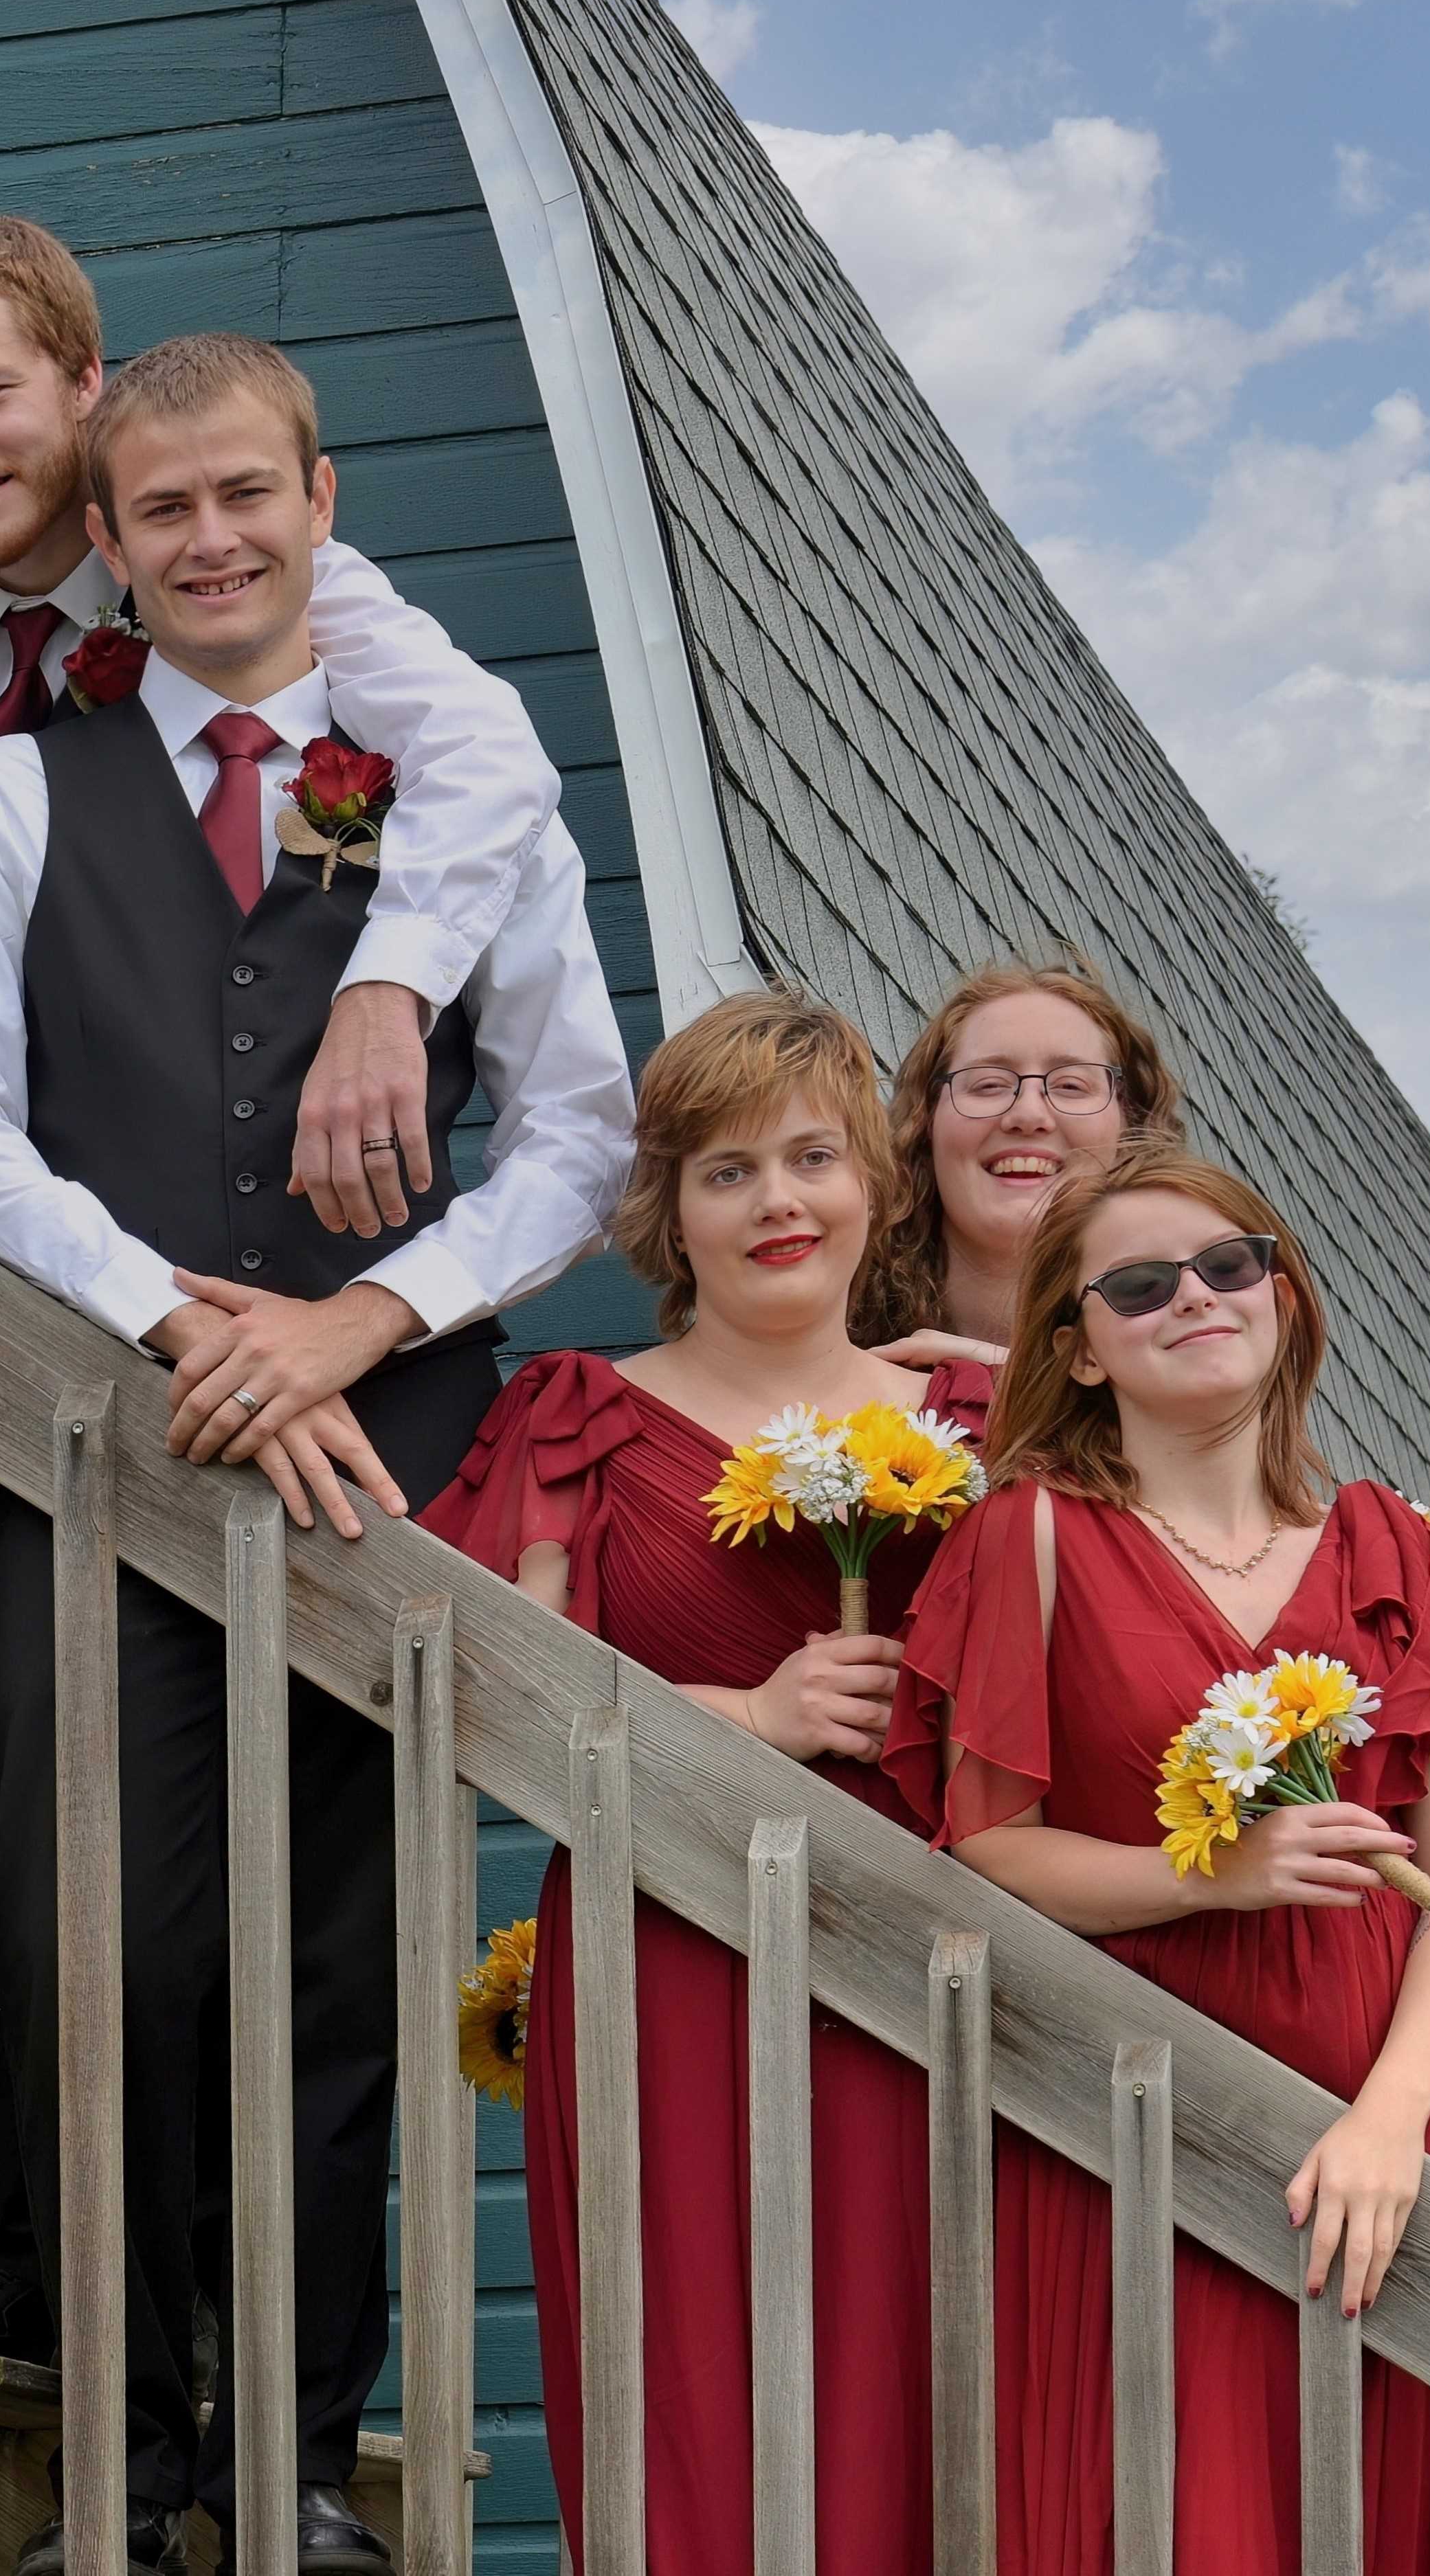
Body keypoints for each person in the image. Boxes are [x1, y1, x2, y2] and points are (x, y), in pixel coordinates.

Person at [0, 332, 636, 2576]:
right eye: (161, 510)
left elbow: (577, 1130)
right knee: (78, 1942)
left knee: (317, 1963)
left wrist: (353, 1322)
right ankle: (116, 2464)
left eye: (244, 495)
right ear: (99, 545)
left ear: (320, 495)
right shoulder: (9, 794)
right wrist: (165, 1316)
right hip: (84, 1435)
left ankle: (288, 2469)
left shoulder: (454, 800)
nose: (208, 541)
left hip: (373, 1447)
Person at [413, 988, 982, 2573]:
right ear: (665, 1206)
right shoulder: (573, 1418)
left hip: (939, 1957)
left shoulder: (977, 1422)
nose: (776, 1201)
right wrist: (747, 1708)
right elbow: (494, 1707)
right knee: (684, 2366)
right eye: (724, 1170)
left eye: (811, 1157)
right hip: (668, 1950)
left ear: (872, 1184)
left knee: (930, 2372)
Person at [886, 1144, 1430, 2574]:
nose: (1195, 1296)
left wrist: (1390, 2117)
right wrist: (1208, 1877)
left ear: (1282, 1294)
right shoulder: (1028, 1536)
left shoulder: (1403, 1554)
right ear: (1077, 1346)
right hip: (1130, 2103)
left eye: (1231, 1263)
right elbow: (984, 1846)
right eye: (1140, 1283)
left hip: (1392, 2126)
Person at [851, 954, 1177, 1354]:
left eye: (1071, 1085)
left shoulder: (1188, 1348)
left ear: (1131, 1125)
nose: (1028, 1114)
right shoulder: (824, 1325)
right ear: (925, 1124)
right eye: (989, 1085)